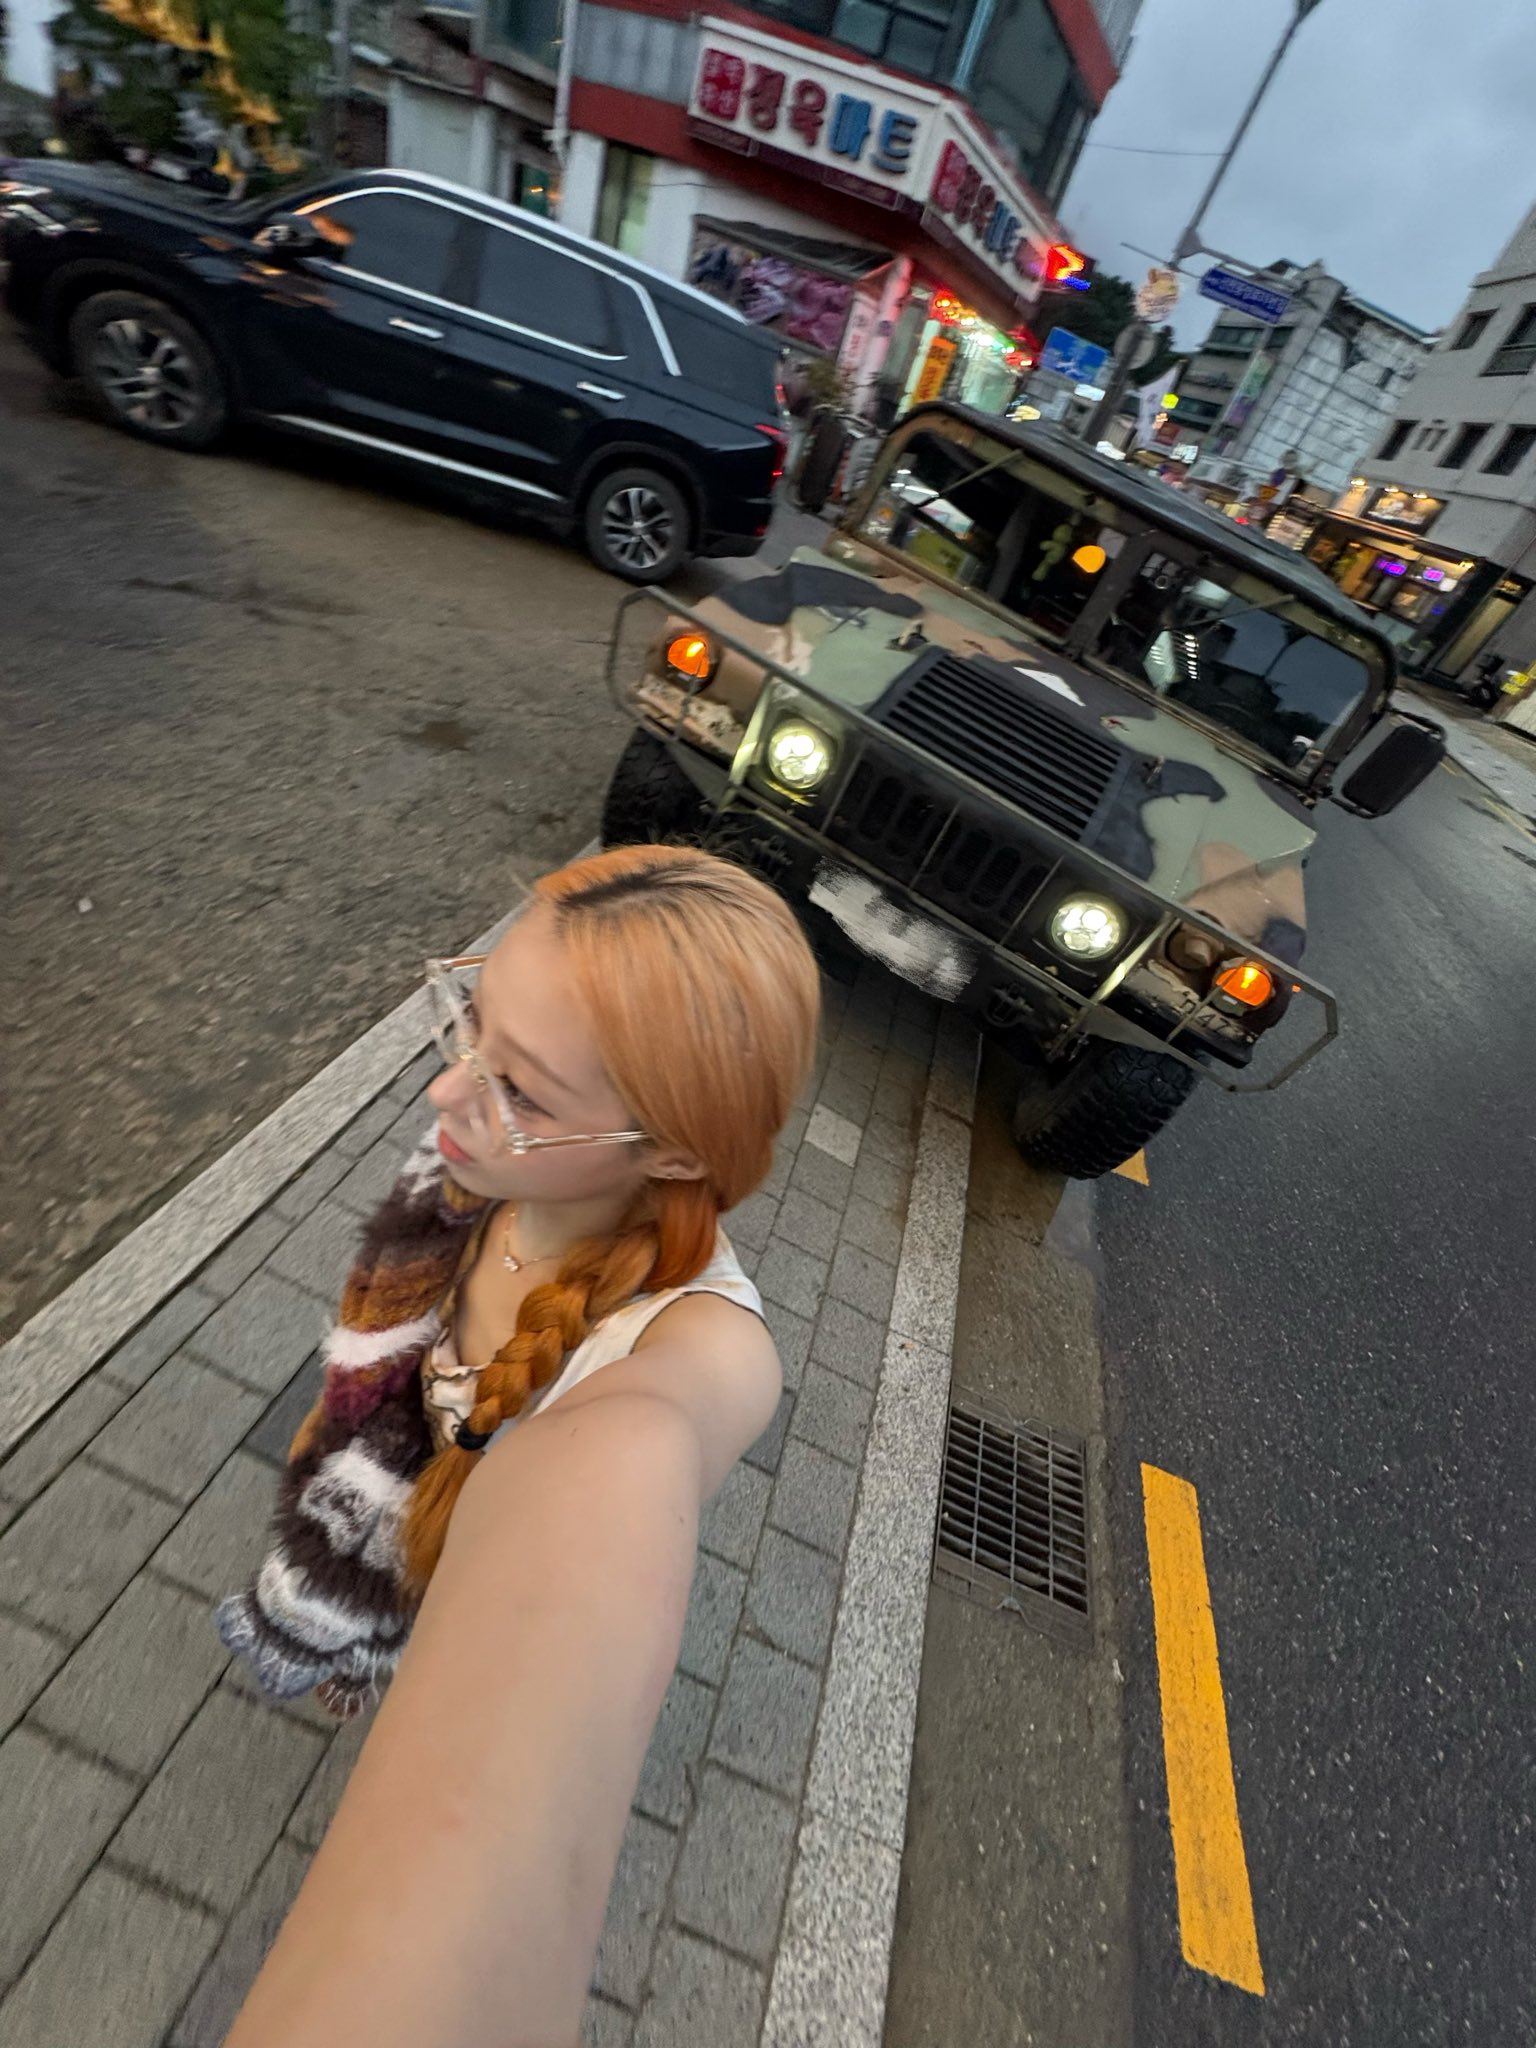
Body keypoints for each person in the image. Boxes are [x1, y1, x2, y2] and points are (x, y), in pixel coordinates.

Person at [220, 843, 820, 2047]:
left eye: (525, 1091)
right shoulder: (468, 1176)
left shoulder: (688, 1346)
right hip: (370, 1515)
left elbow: (628, 1468)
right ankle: (359, 1646)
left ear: (676, 1150)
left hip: (462, 1579)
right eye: (472, 1022)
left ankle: (379, 1655)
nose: (450, 1092)